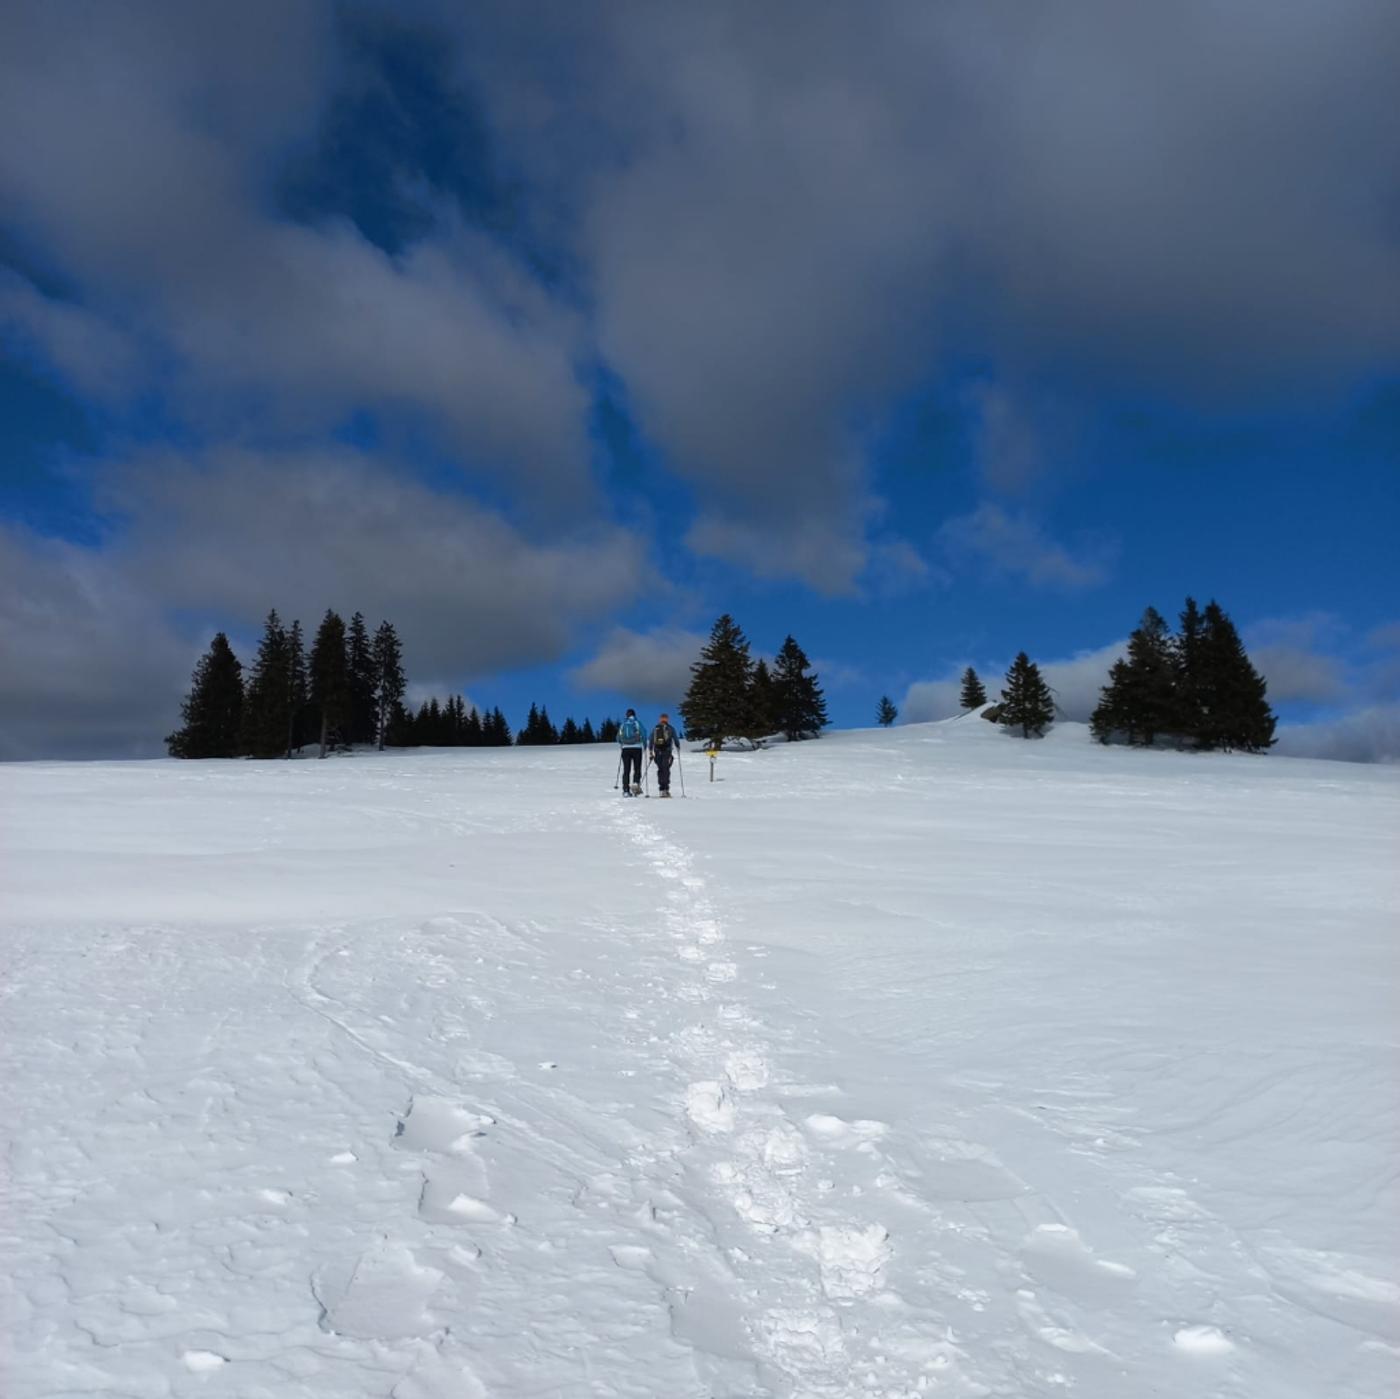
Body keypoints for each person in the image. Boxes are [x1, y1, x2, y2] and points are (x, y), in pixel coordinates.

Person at [649, 712, 679, 797]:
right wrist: (677, 746)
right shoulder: (670, 728)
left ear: (660, 719)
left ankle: (661, 789)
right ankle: (665, 789)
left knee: (660, 769)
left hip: (657, 751)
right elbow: (676, 739)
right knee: (666, 769)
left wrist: (651, 750)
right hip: (667, 751)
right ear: (667, 719)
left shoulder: (655, 728)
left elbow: (651, 739)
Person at [617, 708, 645, 796]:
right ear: (634, 715)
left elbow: (617, 737)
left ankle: (626, 790)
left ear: (627, 715)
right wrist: (645, 745)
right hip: (637, 748)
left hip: (625, 749)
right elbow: (644, 733)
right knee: (637, 768)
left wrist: (622, 743)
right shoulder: (637, 723)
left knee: (626, 770)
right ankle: (636, 783)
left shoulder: (623, 724)